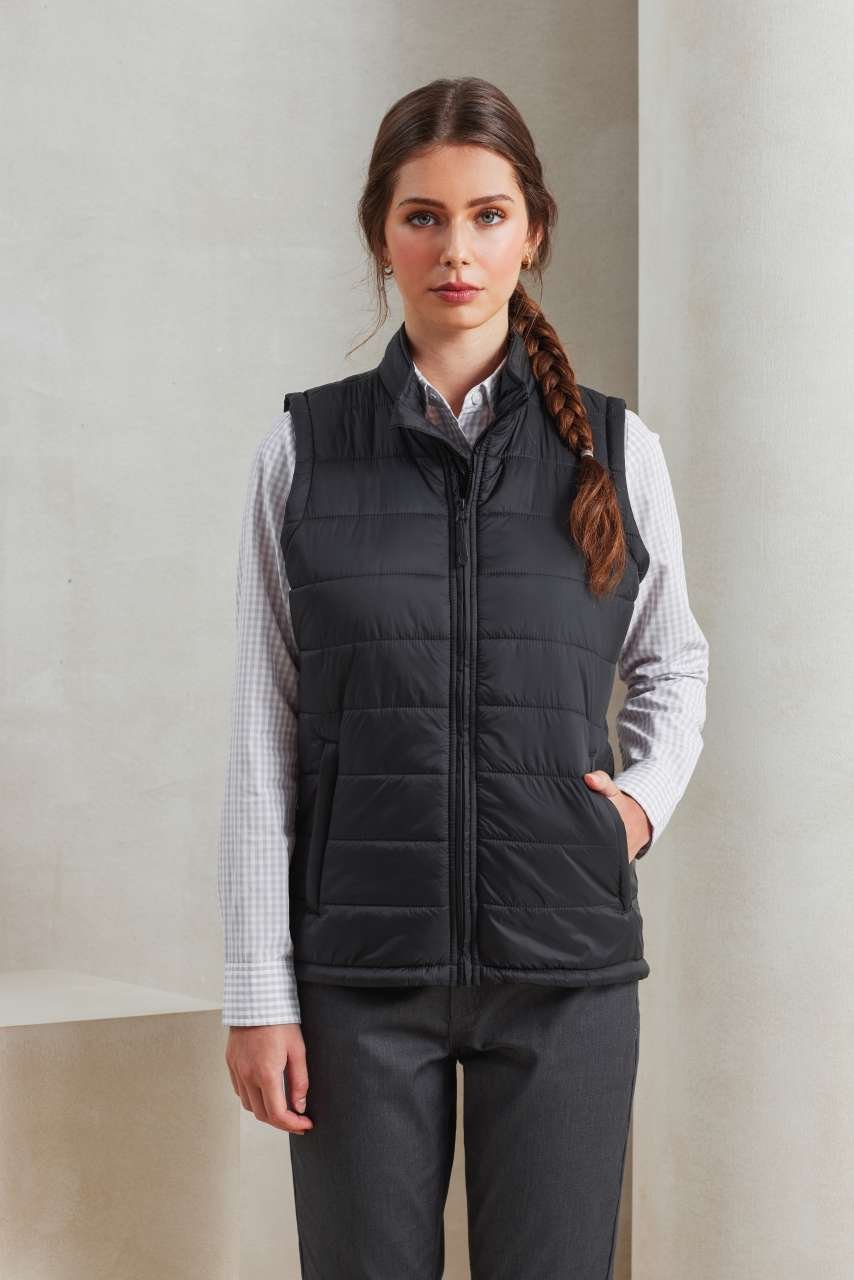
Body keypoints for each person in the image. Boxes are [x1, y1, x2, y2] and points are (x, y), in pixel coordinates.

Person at [218, 76, 709, 1280]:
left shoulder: (616, 449)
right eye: (422, 216)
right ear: (380, 235)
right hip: (357, 977)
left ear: (530, 230)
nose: (455, 249)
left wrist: (633, 809)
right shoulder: (301, 451)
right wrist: (255, 990)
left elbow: (672, 662)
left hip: (563, 971)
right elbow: (263, 727)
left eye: (487, 215)